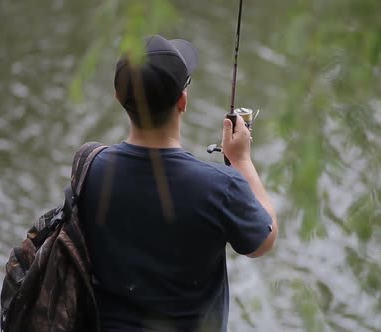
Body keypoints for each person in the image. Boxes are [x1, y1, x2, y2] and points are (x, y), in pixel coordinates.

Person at [79, 35, 278, 332]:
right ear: (182, 101)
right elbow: (263, 241)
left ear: (118, 98)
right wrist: (241, 161)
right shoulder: (219, 186)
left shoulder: (91, 168)